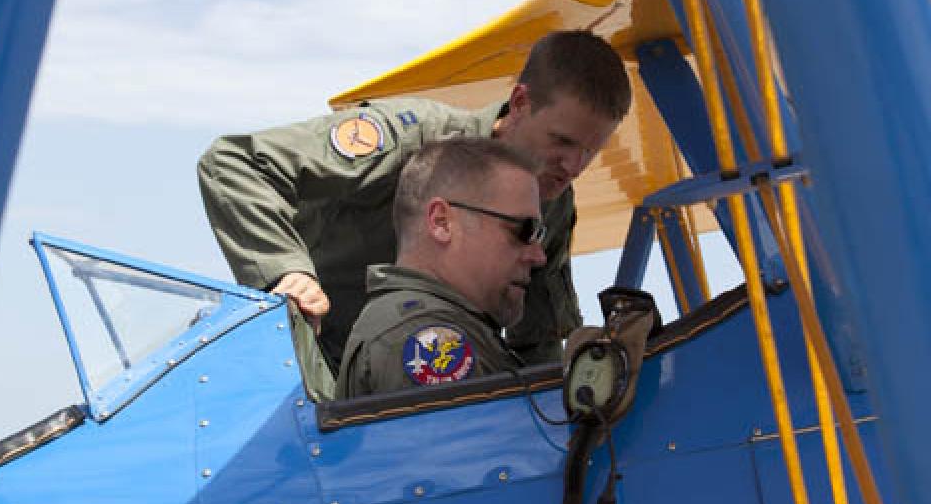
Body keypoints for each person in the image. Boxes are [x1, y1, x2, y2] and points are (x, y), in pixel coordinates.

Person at [198, 30, 631, 371]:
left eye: (590, 151)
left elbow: (538, 335)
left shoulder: (552, 203)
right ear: (520, 102)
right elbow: (234, 163)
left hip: (413, 378)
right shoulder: (414, 138)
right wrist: (286, 272)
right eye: (562, 141)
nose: (574, 165)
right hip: (308, 373)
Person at [336, 139, 546, 398]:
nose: (538, 256)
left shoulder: (447, 329)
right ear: (442, 222)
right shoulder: (425, 339)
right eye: (524, 231)